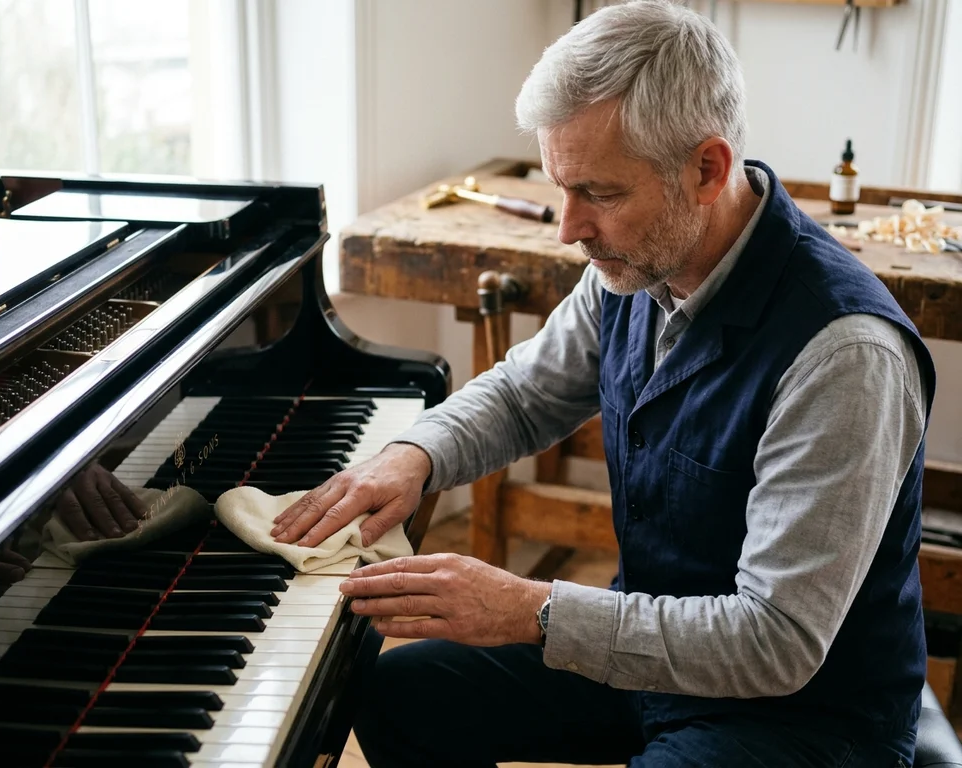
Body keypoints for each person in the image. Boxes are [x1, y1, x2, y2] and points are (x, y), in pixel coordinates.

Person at [271, 2, 934, 766]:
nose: (567, 227)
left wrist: (532, 610)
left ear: (707, 170)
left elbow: (774, 642)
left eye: (600, 193)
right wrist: (414, 456)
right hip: (658, 655)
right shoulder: (636, 270)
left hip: (803, 716)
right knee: (391, 691)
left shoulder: (844, 353)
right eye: (561, 186)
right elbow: (526, 394)